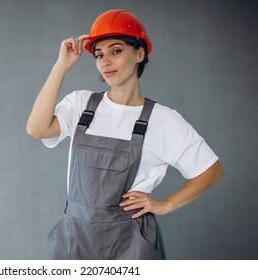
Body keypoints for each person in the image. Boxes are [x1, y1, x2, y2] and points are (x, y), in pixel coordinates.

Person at [26, 9, 223, 260]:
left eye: (116, 51)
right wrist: (61, 66)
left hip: (130, 242)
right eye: (99, 54)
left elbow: (212, 171)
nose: (105, 61)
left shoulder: (163, 120)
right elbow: (37, 128)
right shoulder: (81, 105)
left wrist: (165, 205)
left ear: (139, 53)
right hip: (75, 237)